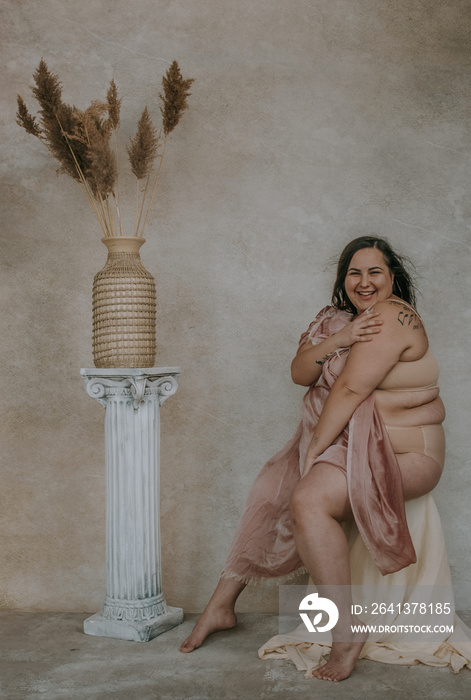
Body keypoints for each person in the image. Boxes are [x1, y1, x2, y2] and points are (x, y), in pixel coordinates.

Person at [180, 236, 468, 680]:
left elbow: (350, 389)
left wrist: (315, 448)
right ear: (343, 279)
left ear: (394, 278)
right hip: (355, 443)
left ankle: (345, 633)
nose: (364, 281)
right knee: (275, 489)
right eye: (355, 272)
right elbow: (301, 373)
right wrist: (343, 335)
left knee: (306, 497)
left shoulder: (391, 315)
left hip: (407, 455)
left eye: (375, 272)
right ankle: (221, 606)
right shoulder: (344, 321)